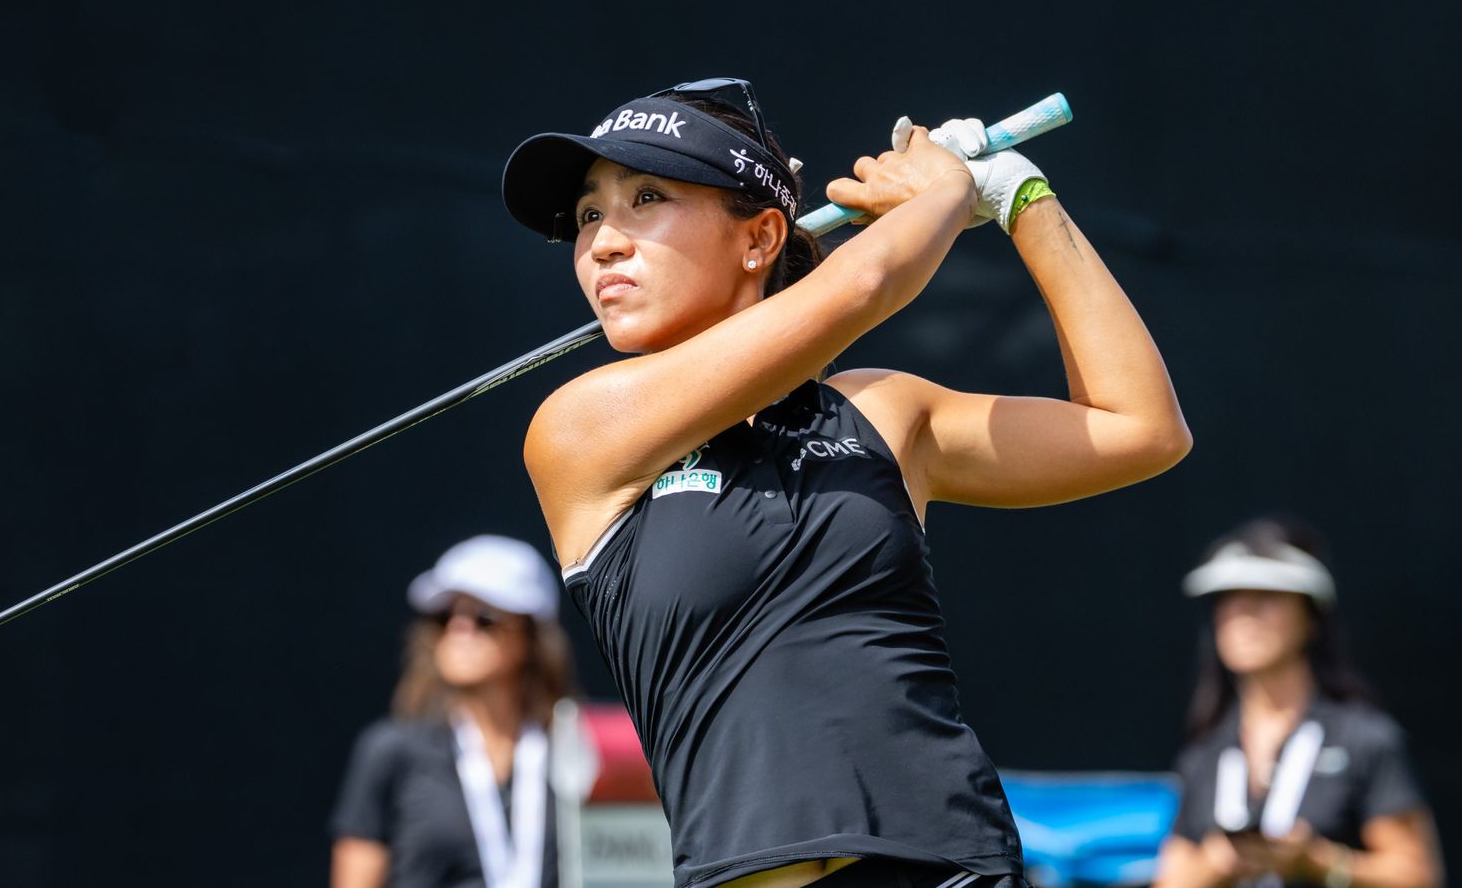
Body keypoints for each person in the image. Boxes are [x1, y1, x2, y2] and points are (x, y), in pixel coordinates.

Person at [499, 77, 1192, 888]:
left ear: (759, 238)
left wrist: (1020, 197)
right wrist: (946, 191)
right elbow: (863, 287)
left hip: (954, 864)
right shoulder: (581, 429)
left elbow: (1141, 428)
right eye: (588, 216)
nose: (605, 243)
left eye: (645, 197)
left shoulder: (880, 412)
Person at [1152, 516, 1443, 888]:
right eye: (1229, 599)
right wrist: (1216, 863)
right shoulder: (1205, 753)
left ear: (1311, 618)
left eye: (1266, 597)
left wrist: (1320, 863)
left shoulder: (1364, 739)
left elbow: (1420, 876)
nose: (1243, 615)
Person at [329, 534, 576, 888]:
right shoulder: (389, 751)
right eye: (445, 616)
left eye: (484, 617)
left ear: (531, 636)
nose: (460, 628)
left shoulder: (579, 752)